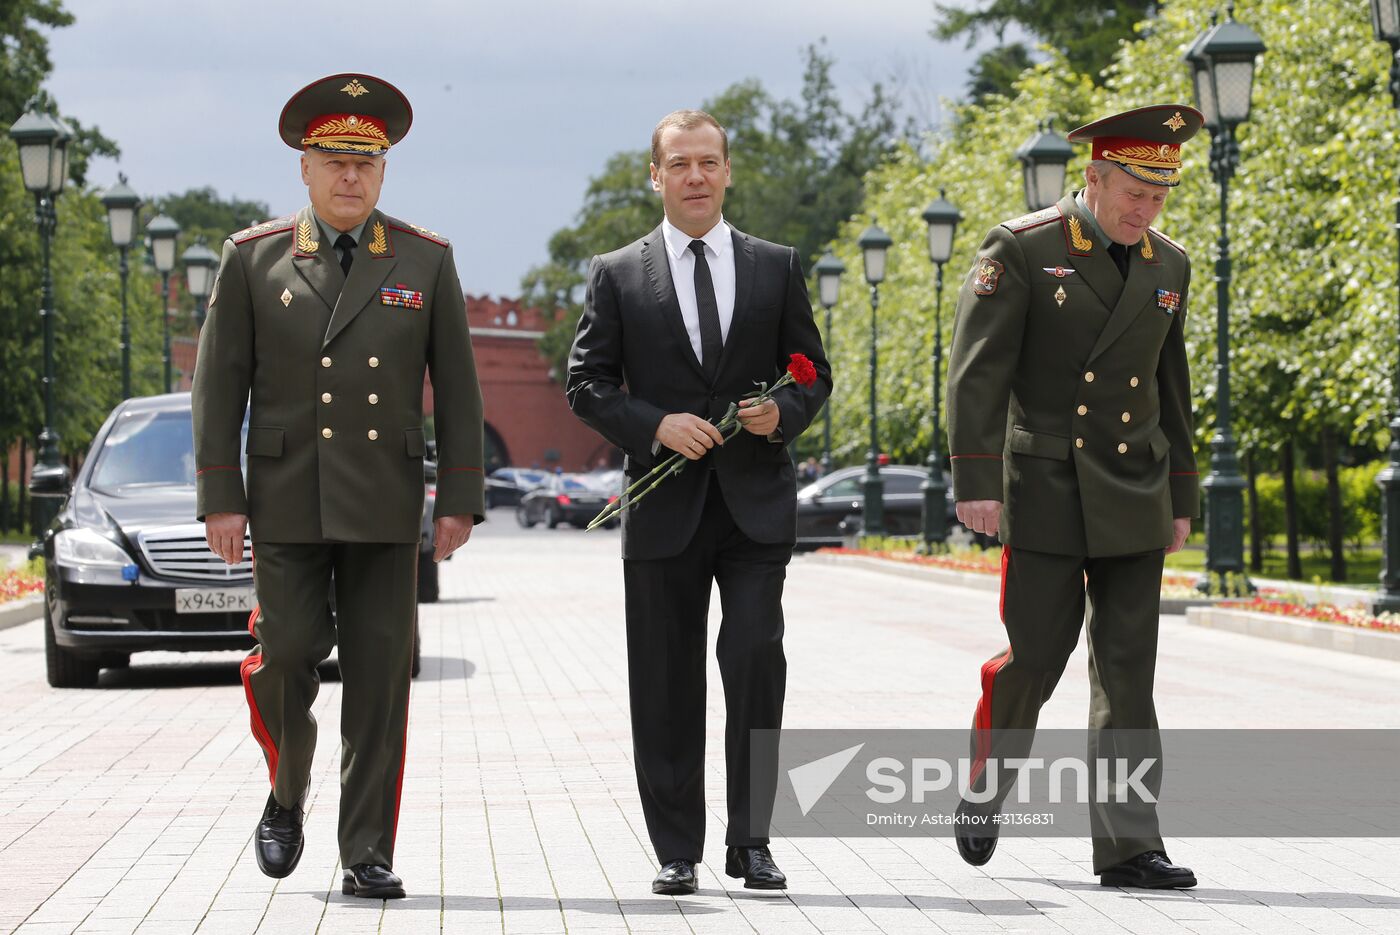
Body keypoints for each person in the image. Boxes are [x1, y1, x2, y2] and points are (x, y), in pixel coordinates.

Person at [192, 72, 485, 900]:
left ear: (383, 171)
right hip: (287, 495)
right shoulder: (254, 258)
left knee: (380, 675)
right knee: (286, 652)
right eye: (334, 161)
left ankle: (366, 848)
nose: (350, 177)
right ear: (305, 168)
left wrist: (458, 496)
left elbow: (458, 386)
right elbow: (218, 385)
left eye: (366, 163)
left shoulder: (425, 259)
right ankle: (287, 790)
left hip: (384, 498)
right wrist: (221, 496)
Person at [566, 110, 830, 896]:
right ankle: (677, 848)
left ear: (727, 171)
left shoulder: (776, 266)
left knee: (754, 661)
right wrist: (655, 425)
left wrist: (781, 412)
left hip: (755, 507)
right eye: (679, 163)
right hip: (664, 510)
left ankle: (753, 842)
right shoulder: (617, 273)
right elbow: (585, 384)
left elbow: (813, 371)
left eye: (708, 162)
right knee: (666, 680)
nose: (695, 176)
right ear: (656, 176)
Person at [946, 104, 1202, 889]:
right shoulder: (1023, 247)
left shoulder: (1170, 265)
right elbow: (978, 370)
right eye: (1135, 192)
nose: (1146, 209)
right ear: (1094, 177)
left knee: (1127, 673)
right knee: (1035, 657)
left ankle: (1129, 845)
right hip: (1047, 486)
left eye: (1159, 195)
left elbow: (1171, 387)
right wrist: (976, 480)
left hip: (1134, 487)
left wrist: (1182, 493)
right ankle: (987, 784)